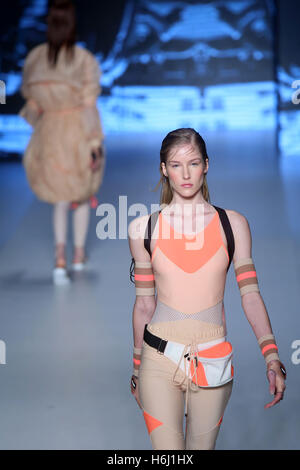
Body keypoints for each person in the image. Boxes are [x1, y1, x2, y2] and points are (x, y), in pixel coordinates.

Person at [128, 128, 286, 450]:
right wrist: (136, 367)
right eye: (175, 165)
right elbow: (145, 304)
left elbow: (250, 295)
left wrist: (271, 357)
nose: (185, 174)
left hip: (212, 359)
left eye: (194, 163)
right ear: (163, 169)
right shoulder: (144, 229)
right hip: (157, 359)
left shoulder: (233, 224)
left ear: (206, 165)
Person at [19, 0, 105, 284]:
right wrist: (95, 141)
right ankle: (78, 255)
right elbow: (89, 105)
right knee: (80, 194)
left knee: (59, 198)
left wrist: (42, 124)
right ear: (72, 24)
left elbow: (31, 106)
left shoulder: (35, 58)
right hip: (77, 129)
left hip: (49, 131)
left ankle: (59, 259)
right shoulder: (83, 60)